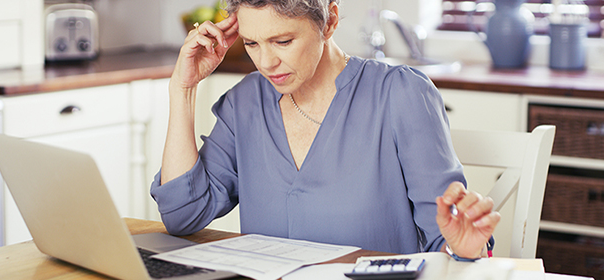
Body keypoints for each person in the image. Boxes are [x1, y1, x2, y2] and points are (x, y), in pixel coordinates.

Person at [151, 0, 500, 260]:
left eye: (283, 41)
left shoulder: (401, 95)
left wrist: (466, 250)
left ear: (329, 20)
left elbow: (447, 239)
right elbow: (183, 214)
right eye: (252, 43)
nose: (266, 62)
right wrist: (183, 89)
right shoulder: (245, 103)